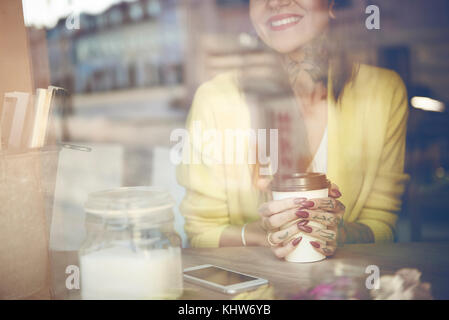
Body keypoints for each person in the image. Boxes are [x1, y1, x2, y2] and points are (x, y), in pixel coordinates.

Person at [177, 0, 409, 259]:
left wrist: (337, 233)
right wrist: (260, 236)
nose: (276, 2)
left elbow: (382, 223)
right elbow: (201, 232)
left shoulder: (382, 92)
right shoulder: (215, 98)